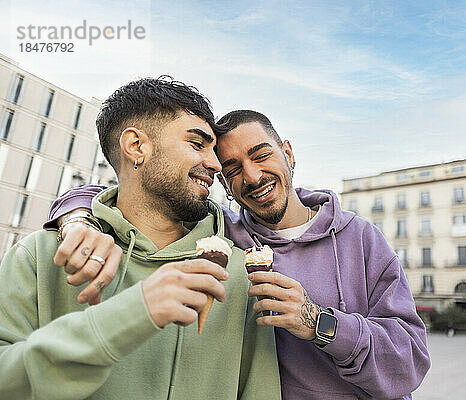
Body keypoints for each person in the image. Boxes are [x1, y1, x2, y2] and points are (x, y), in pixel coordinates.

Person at [45, 110, 430, 399]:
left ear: (288, 154)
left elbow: (410, 360)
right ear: (224, 184)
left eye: (261, 155)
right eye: (232, 169)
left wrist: (318, 322)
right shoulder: (221, 234)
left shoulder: (362, 239)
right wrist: (79, 220)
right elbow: (119, 194)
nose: (253, 176)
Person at [0, 78, 280, 400]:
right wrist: (133, 312)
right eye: (197, 144)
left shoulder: (242, 274)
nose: (216, 165)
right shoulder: (42, 256)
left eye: (213, 150)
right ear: (136, 146)